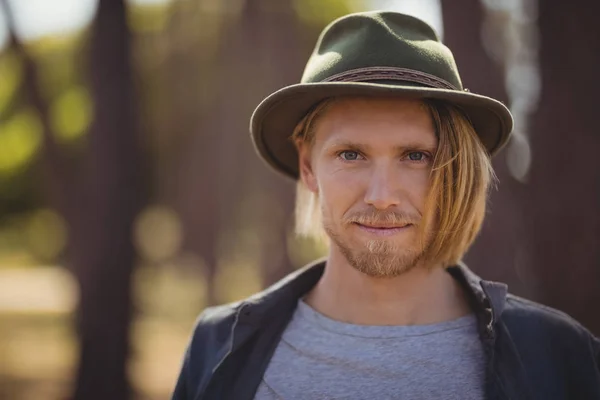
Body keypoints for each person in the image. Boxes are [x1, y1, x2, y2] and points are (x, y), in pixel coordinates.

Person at [172, 11, 600, 400]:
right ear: (307, 165)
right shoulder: (218, 348)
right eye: (351, 154)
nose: (382, 195)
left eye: (416, 156)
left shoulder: (561, 357)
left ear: (459, 169)